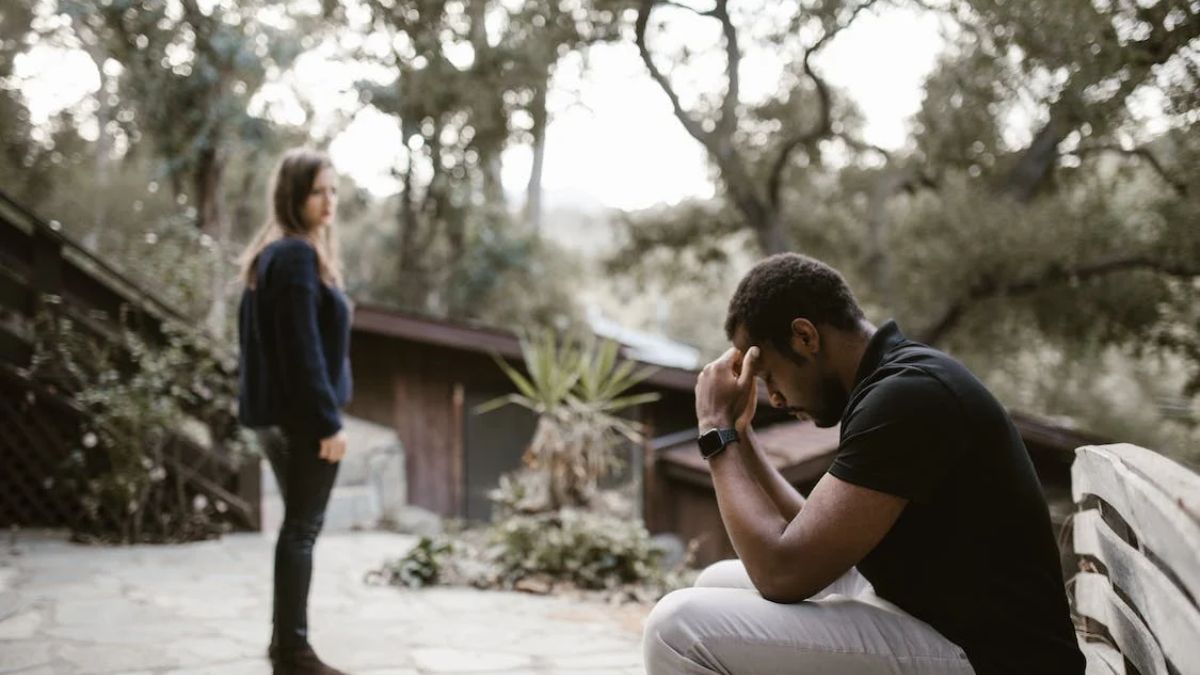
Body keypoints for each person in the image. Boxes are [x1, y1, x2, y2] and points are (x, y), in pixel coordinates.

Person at [643, 253, 1084, 675]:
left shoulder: (908, 396)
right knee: (717, 581)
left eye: (770, 376)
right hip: (934, 618)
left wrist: (713, 428)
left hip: (995, 658)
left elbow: (783, 572)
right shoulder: (890, 383)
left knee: (677, 627)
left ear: (805, 337)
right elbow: (811, 539)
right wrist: (739, 433)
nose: (773, 398)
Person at [238, 148, 352, 675]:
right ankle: (293, 653)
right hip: (301, 420)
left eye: (333, 190)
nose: (329, 201)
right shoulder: (297, 257)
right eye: (317, 191)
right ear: (293, 196)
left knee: (296, 528)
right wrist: (327, 422)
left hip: (276, 419)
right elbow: (301, 349)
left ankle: (285, 645)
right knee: (301, 530)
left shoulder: (273, 254)